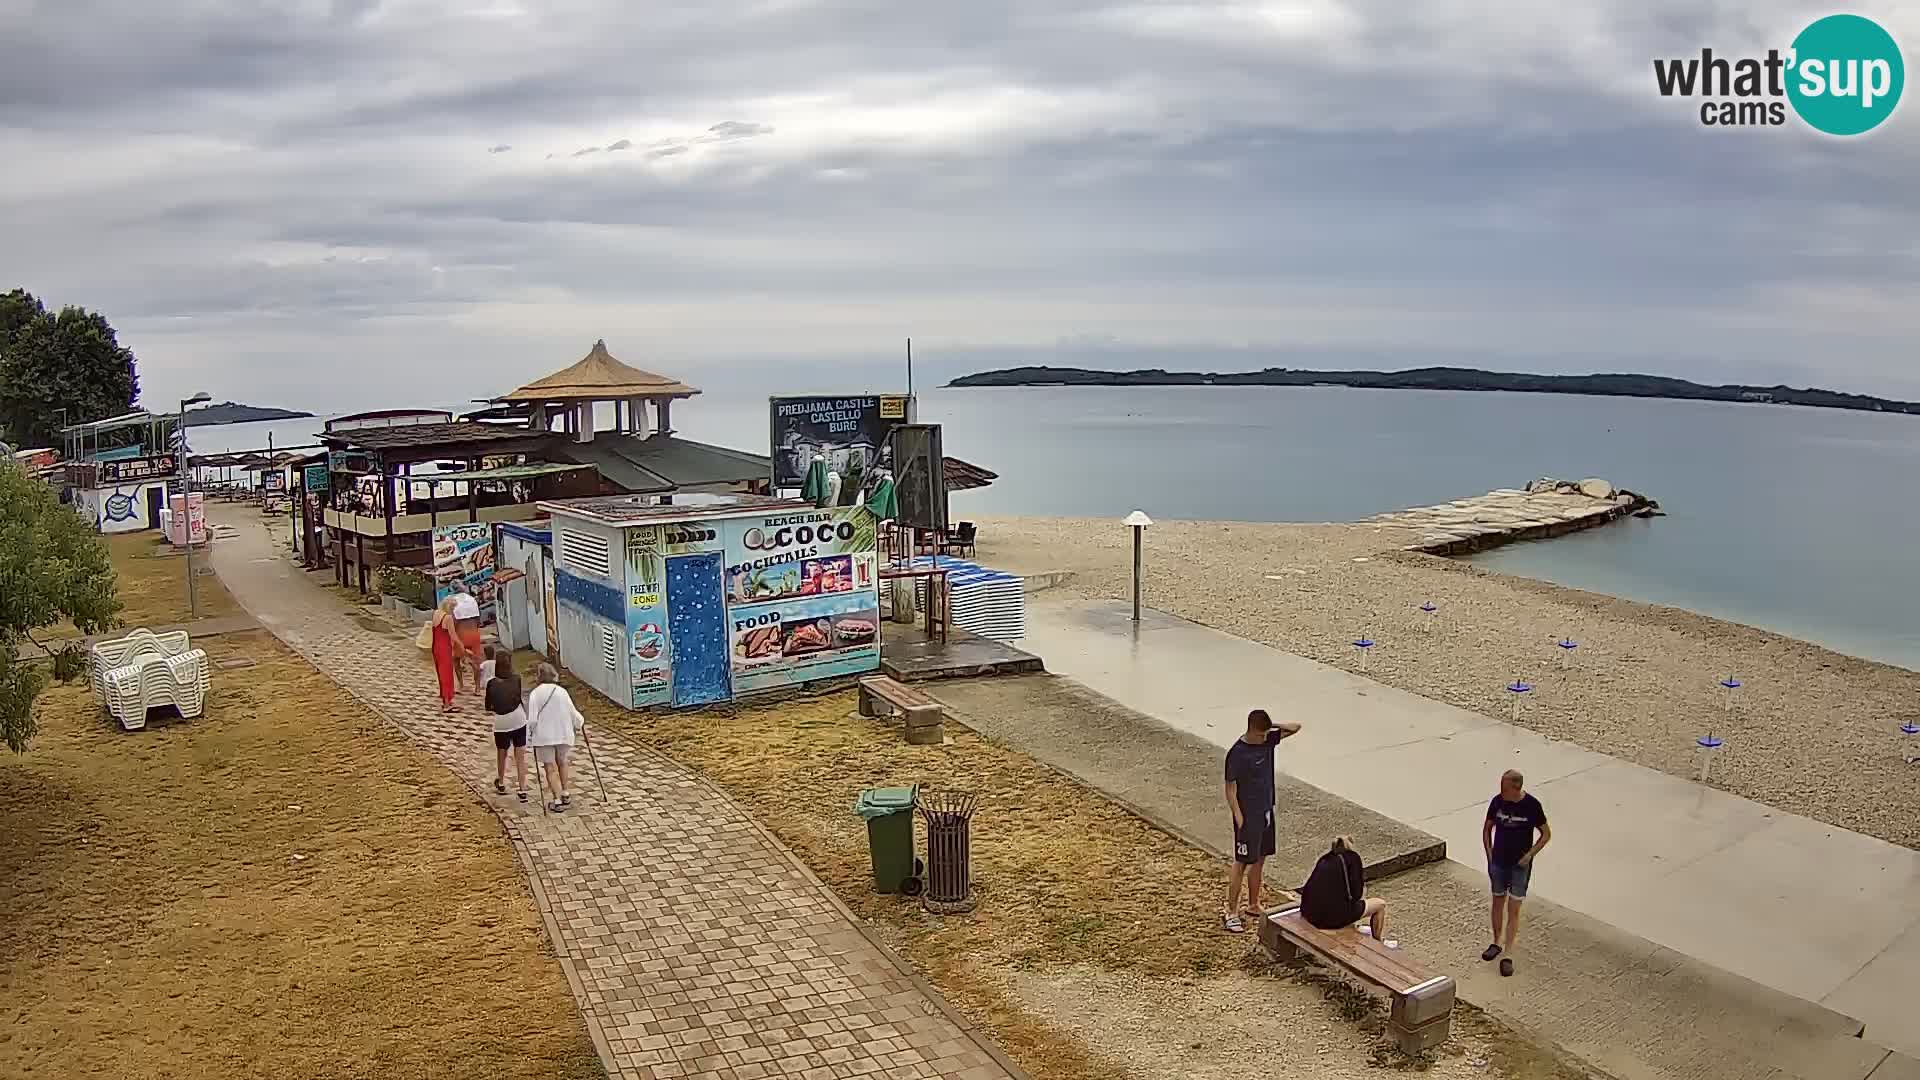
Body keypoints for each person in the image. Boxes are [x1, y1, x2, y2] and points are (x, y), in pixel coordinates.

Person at [1222, 708, 1303, 932]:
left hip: (1266, 810)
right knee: (1243, 862)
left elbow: (1296, 727)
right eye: (1262, 734)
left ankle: (1254, 903)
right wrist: (1239, 816)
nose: (1267, 737)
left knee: (1260, 858)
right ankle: (1231, 910)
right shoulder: (1238, 753)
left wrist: (1272, 725)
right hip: (1248, 815)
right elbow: (1230, 787)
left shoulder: (1268, 741)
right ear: (1253, 731)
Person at [1482, 769, 1551, 977]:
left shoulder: (1531, 806)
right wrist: (1489, 854)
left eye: (1504, 786)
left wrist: (1530, 855)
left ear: (1515, 788)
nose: (1500, 790)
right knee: (1497, 901)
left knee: (1514, 908)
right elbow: (1487, 828)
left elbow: (1546, 834)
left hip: (1519, 865)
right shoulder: (1497, 802)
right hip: (1499, 861)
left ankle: (1508, 953)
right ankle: (1496, 942)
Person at [526, 663, 589, 813]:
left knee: (549, 767)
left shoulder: (535, 694)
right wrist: (580, 723)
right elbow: (573, 712)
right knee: (562, 761)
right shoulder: (562, 692)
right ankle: (565, 792)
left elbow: (533, 720)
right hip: (563, 733)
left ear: (539, 676)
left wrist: (531, 734)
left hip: (544, 736)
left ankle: (556, 799)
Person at [1299, 837, 1388, 941]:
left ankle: (1353, 927)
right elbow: (1357, 894)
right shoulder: (1352, 859)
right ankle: (1378, 940)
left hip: (1309, 912)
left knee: (1342, 902)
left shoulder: (1324, 859)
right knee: (1380, 905)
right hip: (1329, 919)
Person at [485, 650, 529, 801]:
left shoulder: (491, 683)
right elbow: (517, 696)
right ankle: (522, 789)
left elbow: (488, 706)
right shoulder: (517, 679)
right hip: (519, 718)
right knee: (520, 756)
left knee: (501, 753)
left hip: (501, 722)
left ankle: (502, 782)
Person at [428, 596, 460, 711]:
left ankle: (444, 697)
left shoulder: (436, 613)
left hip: (435, 647)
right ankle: (447, 702)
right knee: (447, 674)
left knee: (441, 673)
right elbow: (453, 636)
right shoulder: (448, 618)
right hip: (444, 648)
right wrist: (461, 646)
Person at [452, 590, 484, 695]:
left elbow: (454, 622)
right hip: (474, 633)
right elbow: (479, 621)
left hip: (461, 634)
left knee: (455, 659)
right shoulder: (472, 601)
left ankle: (461, 685)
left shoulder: (454, 602)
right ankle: (477, 688)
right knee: (476, 662)